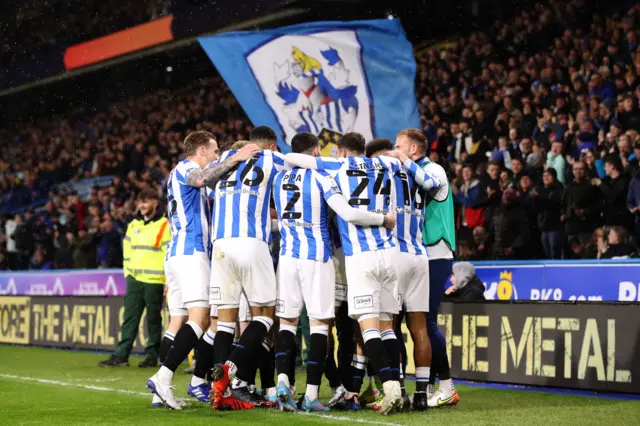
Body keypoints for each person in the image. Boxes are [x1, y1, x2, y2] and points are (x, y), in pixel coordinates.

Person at [285, 132, 436, 415]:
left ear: (342, 152)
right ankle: (399, 387)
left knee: (368, 330)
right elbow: (429, 182)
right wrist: (398, 155)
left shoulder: (338, 166)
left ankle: (391, 389)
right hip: (391, 253)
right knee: (388, 326)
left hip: (361, 257)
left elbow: (293, 158)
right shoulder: (386, 165)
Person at [272, 132, 395, 412]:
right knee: (320, 326)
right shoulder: (322, 179)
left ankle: (282, 382)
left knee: (287, 324)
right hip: (316, 257)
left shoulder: (279, 179)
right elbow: (349, 214)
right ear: (315, 152)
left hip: (287, 257)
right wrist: (382, 219)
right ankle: (312, 395)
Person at [147, 130, 255, 410]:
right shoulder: (188, 168)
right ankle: (163, 377)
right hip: (190, 252)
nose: (218, 155)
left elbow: (209, 187)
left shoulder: (177, 174)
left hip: (177, 254)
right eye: (215, 150)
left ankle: (166, 387)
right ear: (202, 151)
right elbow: (204, 178)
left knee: (181, 320)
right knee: (201, 319)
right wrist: (236, 159)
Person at [208, 126, 287, 411]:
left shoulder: (224, 160)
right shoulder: (272, 159)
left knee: (225, 319)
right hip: (252, 242)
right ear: (272, 146)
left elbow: (204, 181)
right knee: (265, 316)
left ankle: (220, 390)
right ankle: (229, 369)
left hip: (220, 246)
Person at [367, 136, 443, 411]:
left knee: (389, 324)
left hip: (395, 253)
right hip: (419, 255)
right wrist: (406, 159)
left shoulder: (383, 168)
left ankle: (398, 389)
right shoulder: (416, 171)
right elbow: (433, 186)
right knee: (419, 327)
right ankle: (422, 393)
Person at [394, 128, 459, 408]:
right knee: (414, 321)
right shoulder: (410, 172)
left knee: (427, 321)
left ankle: (447, 386)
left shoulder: (435, 170)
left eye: (399, 146)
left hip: (437, 253)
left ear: (413, 149)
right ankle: (431, 385)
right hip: (419, 254)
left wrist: (402, 162)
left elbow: (430, 186)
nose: (396, 150)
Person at [99, 189, 170, 369]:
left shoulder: (165, 225)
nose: (142, 205)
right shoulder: (133, 225)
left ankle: (152, 356)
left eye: (146, 201)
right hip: (134, 279)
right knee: (130, 318)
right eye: (140, 202)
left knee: (153, 320)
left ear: (155, 203)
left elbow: (168, 254)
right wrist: (128, 274)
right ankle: (121, 355)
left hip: (155, 280)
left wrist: (167, 278)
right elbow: (128, 252)